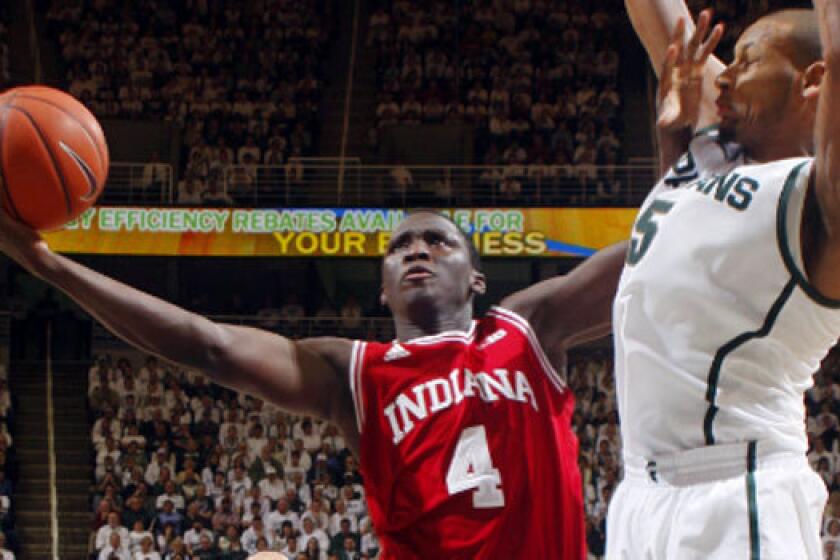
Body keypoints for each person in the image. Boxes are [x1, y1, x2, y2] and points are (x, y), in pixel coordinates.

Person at [0, 206, 626, 558]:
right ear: (382, 289)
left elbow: (648, 256)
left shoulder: (526, 331)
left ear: (477, 280)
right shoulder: (355, 372)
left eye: (438, 241)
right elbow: (209, 344)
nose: (417, 250)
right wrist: (49, 265)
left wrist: (695, 160)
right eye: (401, 245)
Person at [611, 1, 840, 558]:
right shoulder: (712, 147)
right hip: (639, 494)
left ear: (812, 80)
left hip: (736, 493)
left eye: (747, 57)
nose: (725, 70)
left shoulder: (822, 198)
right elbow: (658, 18)